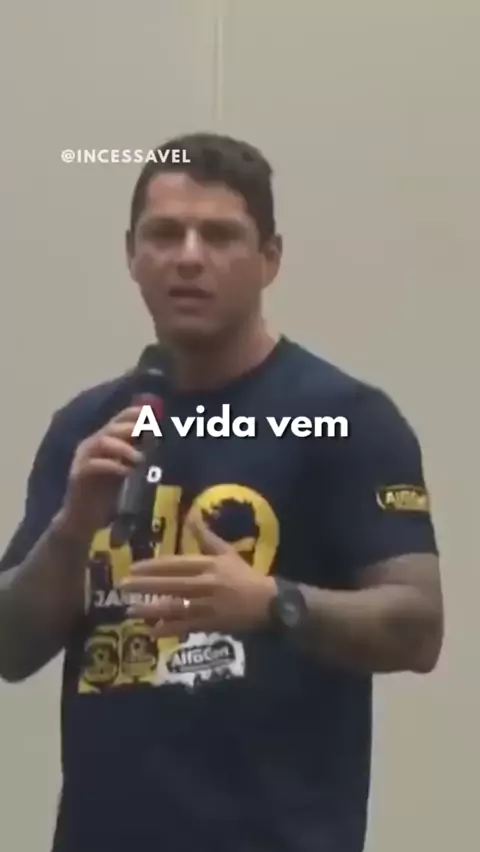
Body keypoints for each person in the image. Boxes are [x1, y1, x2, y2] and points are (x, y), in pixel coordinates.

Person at [0, 133, 443, 852]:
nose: (189, 257)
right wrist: (72, 528)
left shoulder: (346, 418)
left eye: (220, 235)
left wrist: (271, 602)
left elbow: (418, 626)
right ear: (131, 254)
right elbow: (10, 647)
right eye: (164, 234)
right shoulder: (88, 427)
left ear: (270, 258)